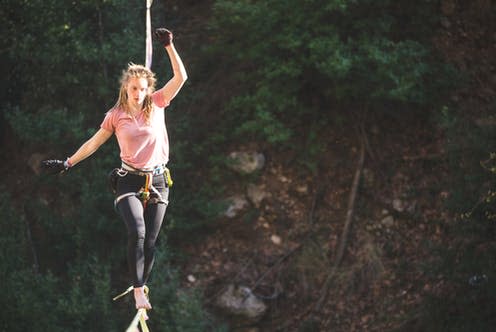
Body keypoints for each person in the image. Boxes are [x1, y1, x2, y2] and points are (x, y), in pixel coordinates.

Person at [41, 28, 187, 310]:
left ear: (148, 89)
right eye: (133, 89)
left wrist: (169, 46)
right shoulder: (115, 116)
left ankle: (143, 284)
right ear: (126, 89)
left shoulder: (158, 103)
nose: (138, 93)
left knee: (151, 242)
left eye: (142, 89)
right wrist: (67, 162)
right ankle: (137, 290)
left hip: (157, 179)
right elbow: (94, 143)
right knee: (138, 231)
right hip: (128, 181)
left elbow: (181, 78)